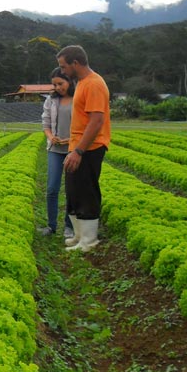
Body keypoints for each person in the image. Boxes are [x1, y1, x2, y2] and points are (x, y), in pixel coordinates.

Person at [56, 45, 111, 251]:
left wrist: (79, 151)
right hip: (77, 146)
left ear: (75, 63)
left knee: (86, 190)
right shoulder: (82, 83)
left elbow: (96, 121)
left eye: (63, 66)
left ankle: (89, 241)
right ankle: (79, 236)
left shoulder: (94, 84)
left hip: (90, 147)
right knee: (74, 190)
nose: (62, 71)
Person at [39, 67, 75, 238]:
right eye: (55, 85)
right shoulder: (51, 100)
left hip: (73, 150)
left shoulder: (78, 98)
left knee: (71, 190)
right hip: (55, 149)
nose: (58, 87)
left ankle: (69, 226)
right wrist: (51, 137)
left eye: (60, 83)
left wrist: (71, 141)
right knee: (52, 188)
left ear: (69, 81)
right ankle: (51, 226)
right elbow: (45, 123)